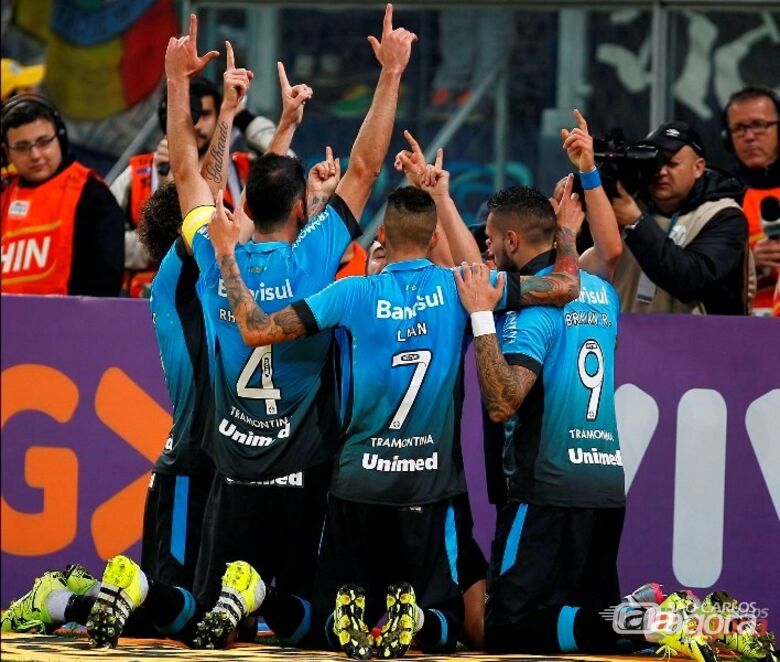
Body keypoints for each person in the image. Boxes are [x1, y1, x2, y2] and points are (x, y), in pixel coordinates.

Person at [111, 77, 255, 297]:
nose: (195, 125)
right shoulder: (137, 173)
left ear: (218, 117)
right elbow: (103, 242)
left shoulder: (244, 168)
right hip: (145, 305)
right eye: (188, 116)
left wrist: (243, 117)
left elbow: (288, 181)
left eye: (204, 114)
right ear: (167, 119)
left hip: (228, 300)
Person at [610, 120, 749, 314]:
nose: (660, 171)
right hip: (627, 336)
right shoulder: (625, 204)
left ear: (698, 168)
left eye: (671, 163)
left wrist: (636, 222)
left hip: (696, 340)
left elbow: (689, 279)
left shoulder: (725, 215)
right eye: (653, 162)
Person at [1, 94, 124, 296]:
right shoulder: (3, 190)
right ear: (6, 152)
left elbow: (105, 282)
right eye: (22, 147)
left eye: (43, 142)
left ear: (60, 138)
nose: (35, 155)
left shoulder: (92, 194)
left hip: (66, 324)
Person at [723, 85, 780, 316]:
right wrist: (749, 265)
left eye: (759, 125)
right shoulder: (717, 195)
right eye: (739, 128)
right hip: (743, 328)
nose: (749, 136)